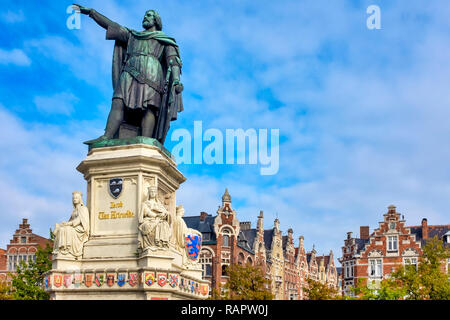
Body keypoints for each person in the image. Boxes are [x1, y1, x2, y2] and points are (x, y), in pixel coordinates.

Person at [74, 4, 184, 144]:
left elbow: (173, 61)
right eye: (145, 14)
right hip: (129, 72)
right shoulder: (132, 36)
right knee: (118, 101)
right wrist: (92, 12)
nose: (145, 17)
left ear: (156, 20)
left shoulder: (164, 40)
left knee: (149, 107)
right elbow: (112, 25)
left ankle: (146, 140)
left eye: (149, 15)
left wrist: (175, 80)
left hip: (152, 74)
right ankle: (107, 136)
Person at [53, 192, 90, 258]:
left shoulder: (83, 208)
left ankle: (65, 250)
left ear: (80, 199)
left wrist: (68, 224)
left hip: (80, 228)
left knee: (66, 229)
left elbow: (78, 220)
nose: (74, 199)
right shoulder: (74, 210)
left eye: (76, 198)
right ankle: (59, 249)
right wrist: (64, 224)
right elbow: (71, 220)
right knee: (61, 228)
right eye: (73, 198)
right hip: (74, 226)